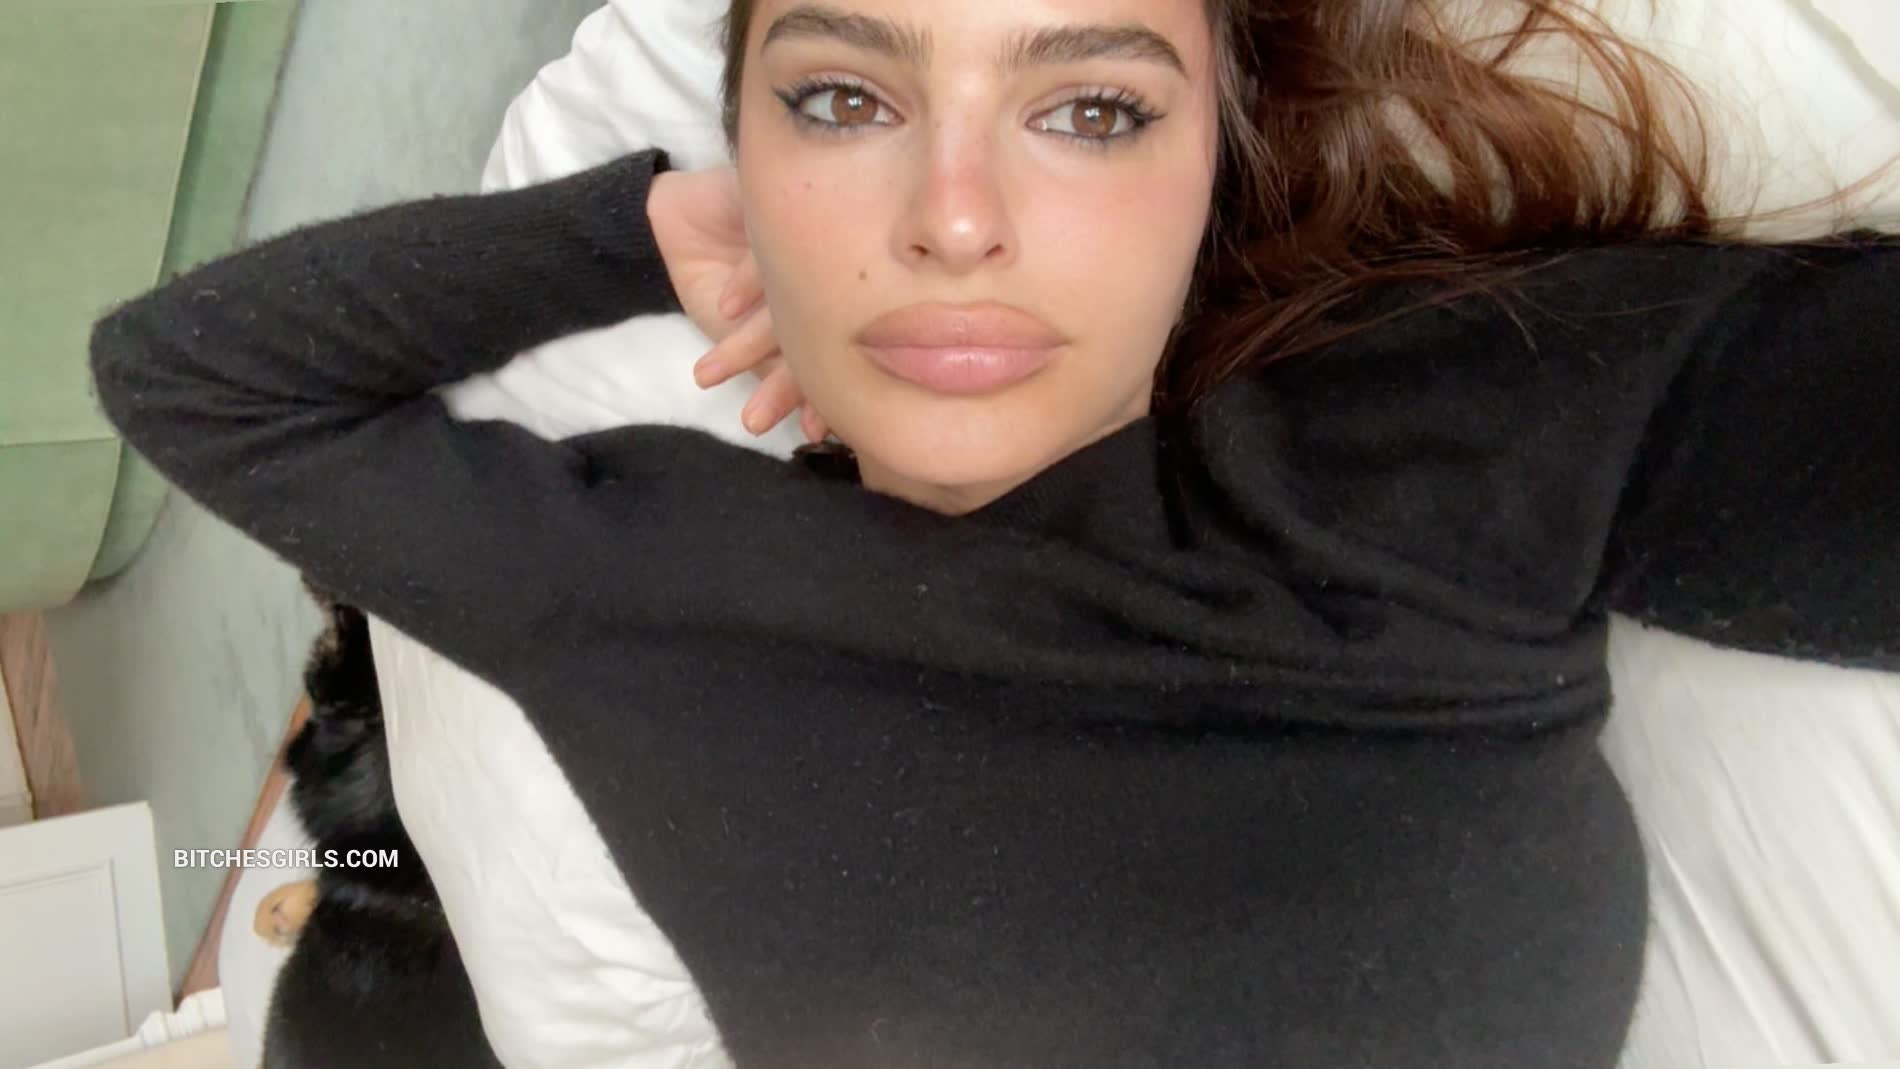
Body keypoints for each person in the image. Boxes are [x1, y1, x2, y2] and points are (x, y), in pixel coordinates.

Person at [90, 1, 1897, 1066]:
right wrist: (633, 229)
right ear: (746, 152)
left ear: (1212, 165)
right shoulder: (648, 576)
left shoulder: (1447, 432)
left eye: (1092, 109)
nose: (953, 219)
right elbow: (186, 373)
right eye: (843, 100)